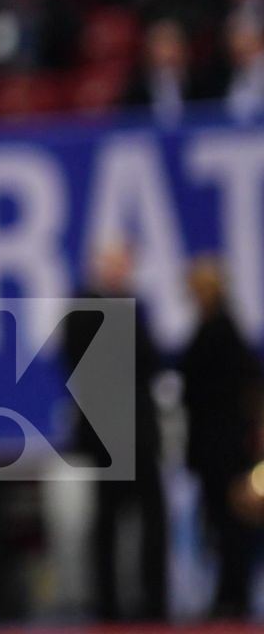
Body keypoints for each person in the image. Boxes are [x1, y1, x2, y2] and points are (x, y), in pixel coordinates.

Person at [64, 240, 167, 621]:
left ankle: (153, 605)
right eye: (115, 264)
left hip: (136, 431)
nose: (122, 271)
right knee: (109, 520)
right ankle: (109, 606)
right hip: (108, 433)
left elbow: (149, 362)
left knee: (150, 517)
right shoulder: (87, 309)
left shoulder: (129, 307)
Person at [179, 255, 264, 619]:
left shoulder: (221, 330)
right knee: (220, 521)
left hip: (223, 444)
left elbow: (232, 388)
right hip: (215, 441)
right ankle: (228, 594)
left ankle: (233, 596)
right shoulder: (215, 326)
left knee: (231, 521)